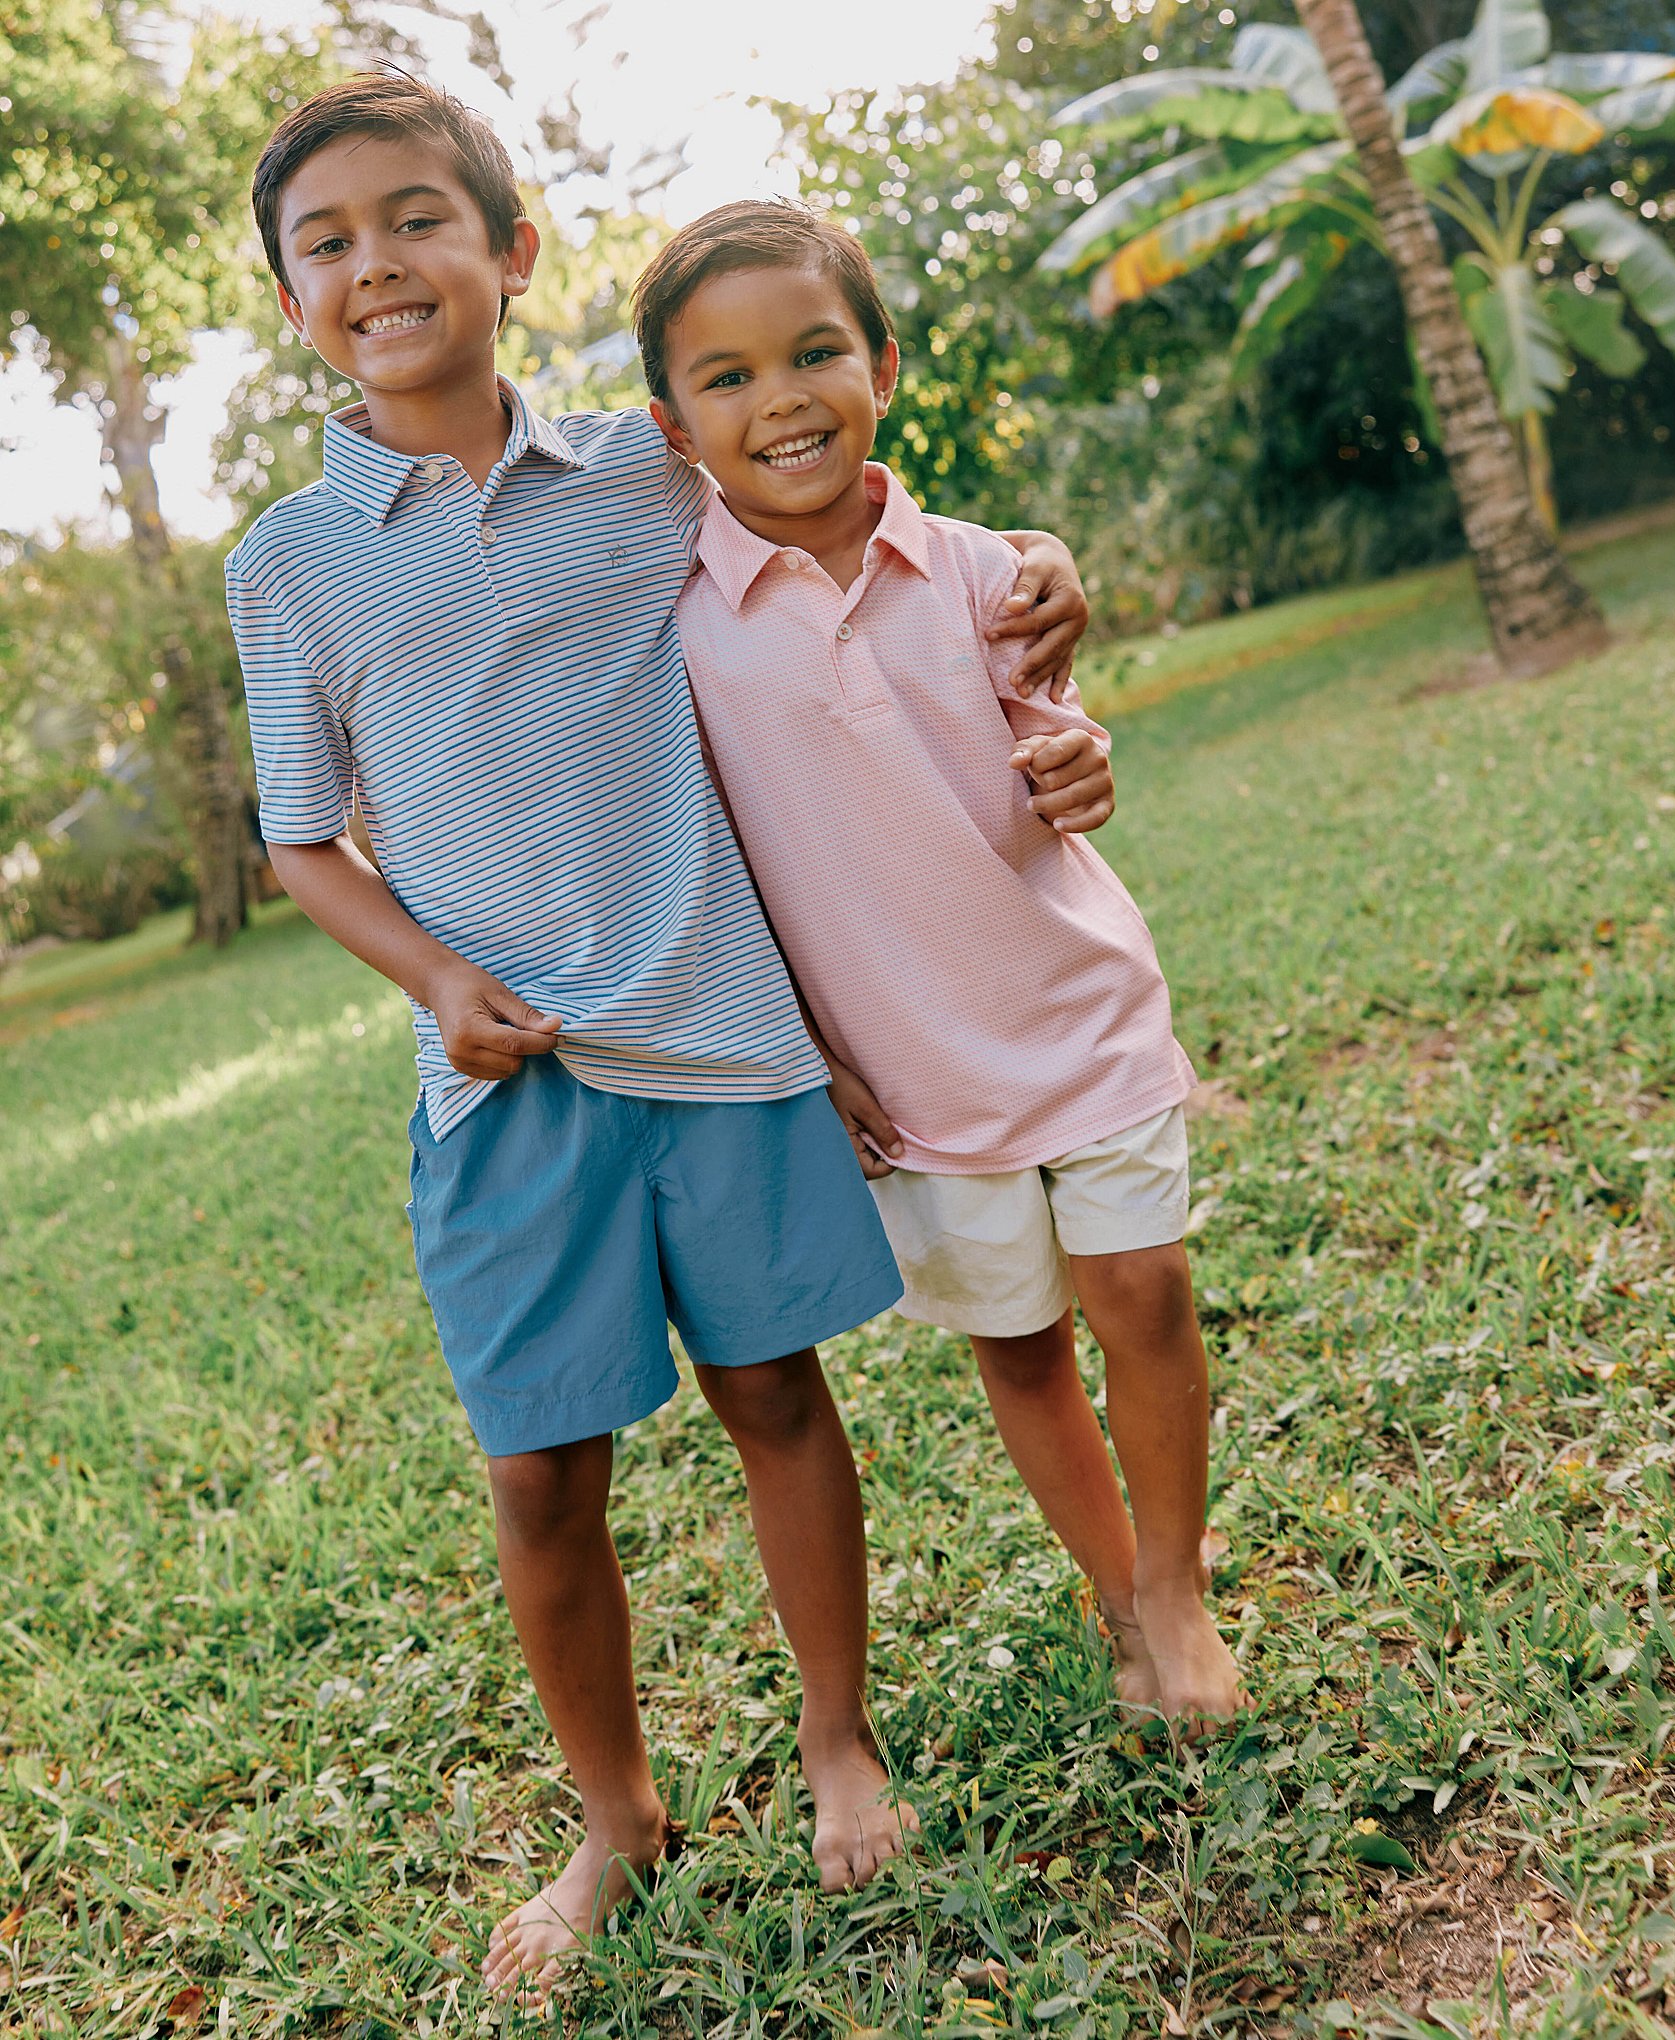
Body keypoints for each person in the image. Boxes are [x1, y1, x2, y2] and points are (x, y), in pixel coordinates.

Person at [224, 76, 1091, 2001]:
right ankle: (617, 1820)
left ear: (512, 253)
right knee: (540, 1473)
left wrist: (1040, 566)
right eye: (327, 242)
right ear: (295, 304)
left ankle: (838, 1735)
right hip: (506, 1085)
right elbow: (303, 839)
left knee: (779, 1394)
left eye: (416, 219)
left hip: (719, 1029)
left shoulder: (647, 467)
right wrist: (437, 982)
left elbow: (842, 498)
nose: (378, 262)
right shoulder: (289, 559)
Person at [632, 201, 1245, 1734]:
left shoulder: (985, 570)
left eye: (816, 351)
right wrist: (799, 1052)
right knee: (1022, 1347)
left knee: (1147, 1294)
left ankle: (1175, 1588)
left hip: (1072, 1000)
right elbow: (709, 862)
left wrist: (1083, 760)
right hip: (900, 1064)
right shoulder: (681, 630)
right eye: (726, 377)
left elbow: (1057, 736)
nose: (780, 397)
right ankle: (1117, 1591)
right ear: (670, 427)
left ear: (885, 365)